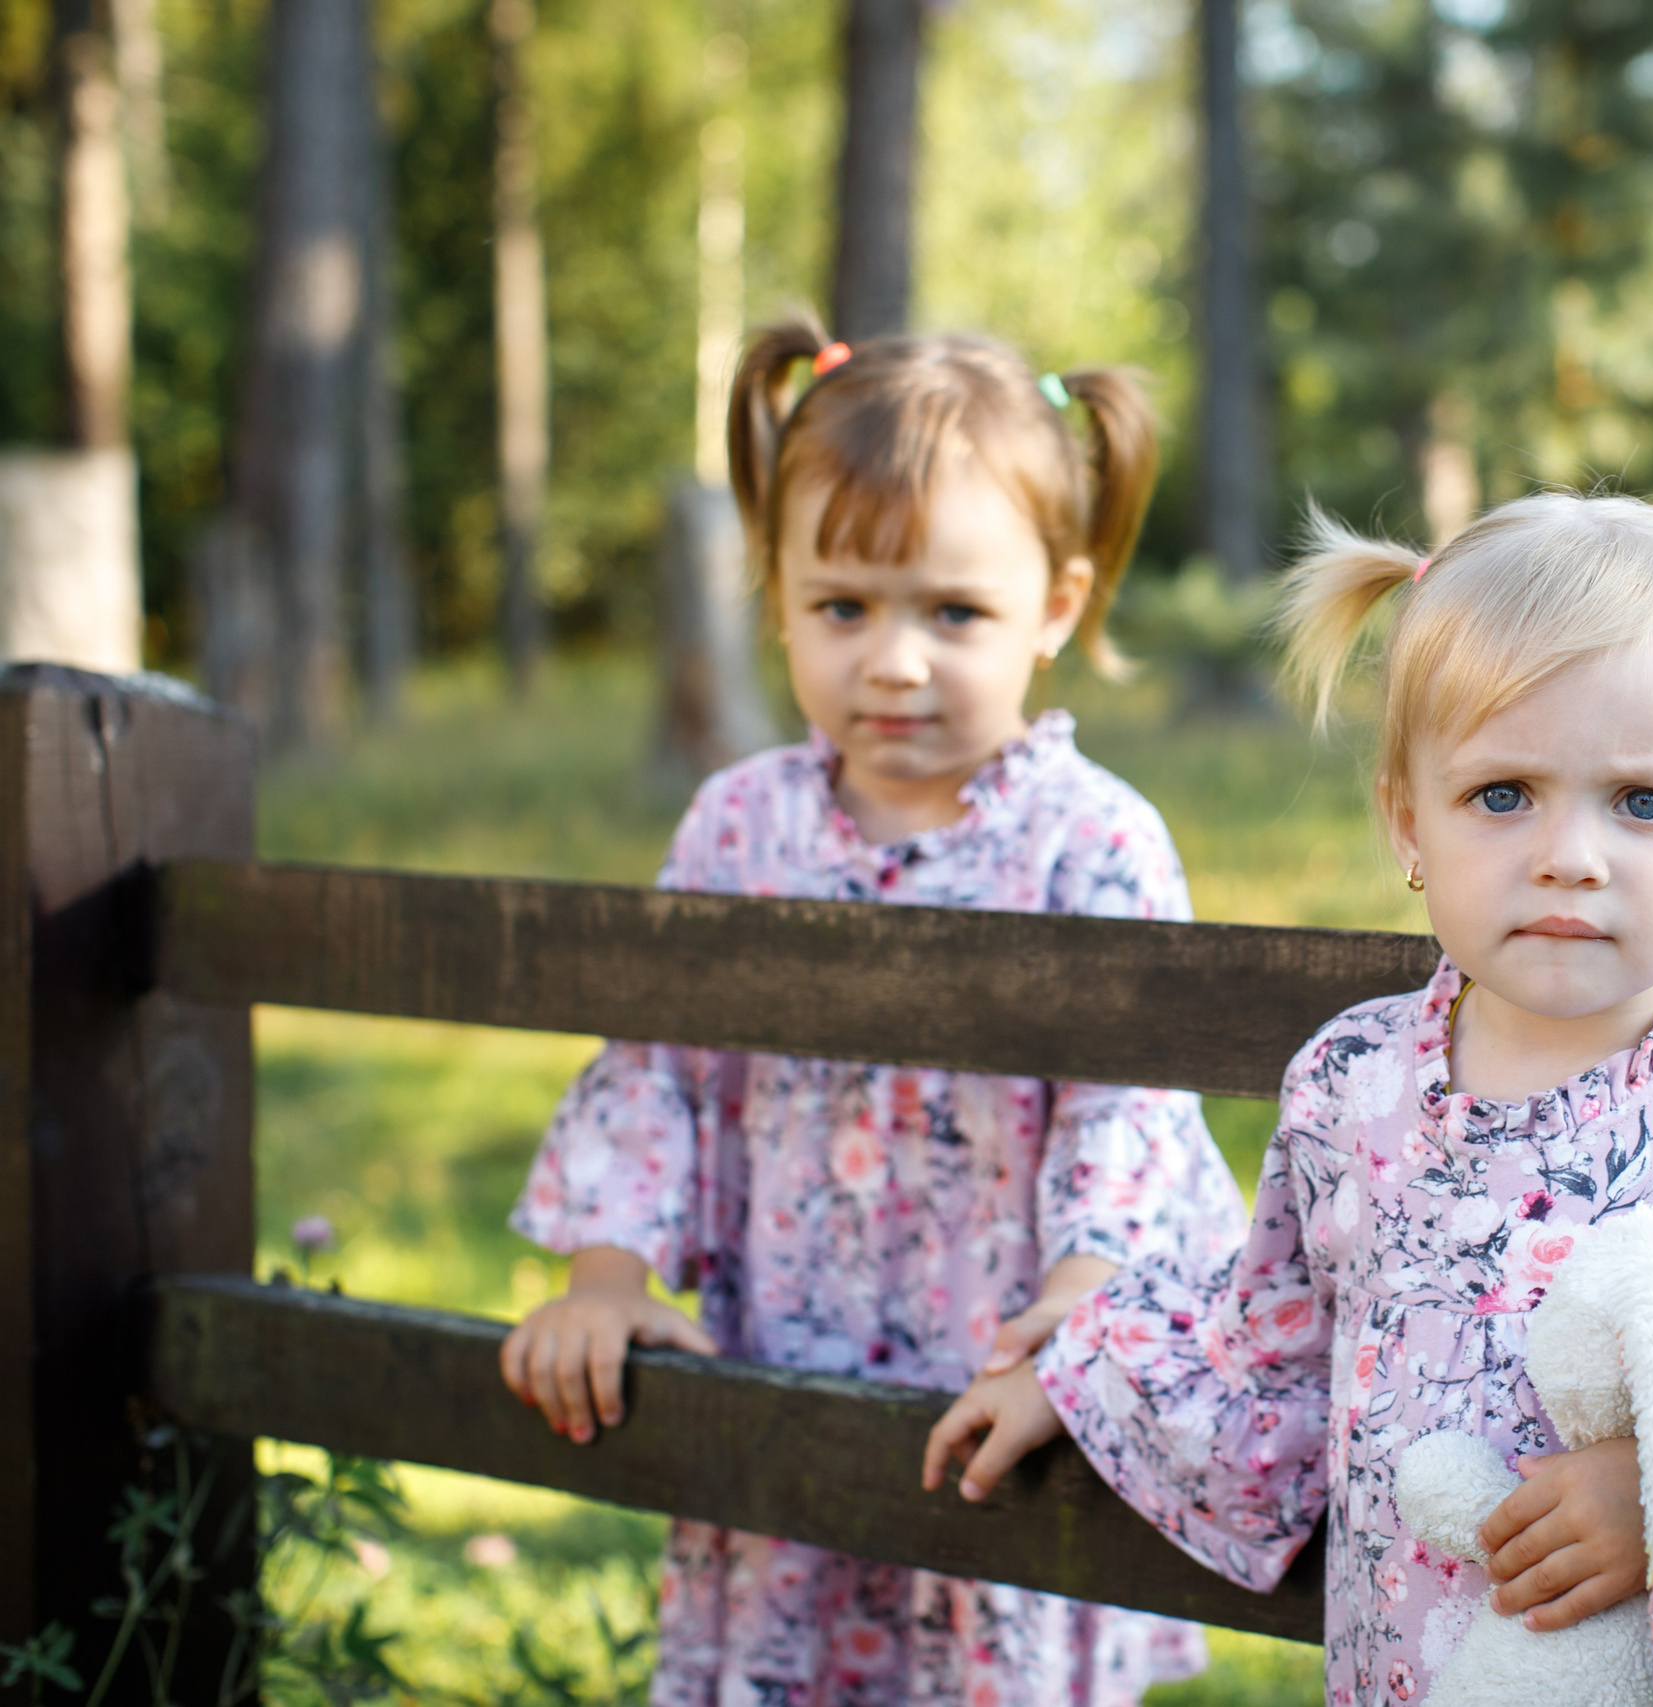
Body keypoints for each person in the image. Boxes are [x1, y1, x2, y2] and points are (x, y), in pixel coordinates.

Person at [923, 492, 1653, 1704]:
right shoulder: (1351, 1093)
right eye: (1503, 794)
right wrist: (1082, 1371)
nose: (1571, 853)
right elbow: (1266, 1366)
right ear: (1408, 820)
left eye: (1642, 802)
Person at [500, 322, 1242, 1707]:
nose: (895, 663)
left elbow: (1130, 1103)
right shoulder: (741, 823)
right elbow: (655, 1059)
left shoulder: (1091, 841)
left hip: (1002, 1380)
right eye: (844, 606)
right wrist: (609, 1273)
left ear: (1057, 606)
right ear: (775, 595)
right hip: (785, 1355)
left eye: (952, 613)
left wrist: (1082, 1311)